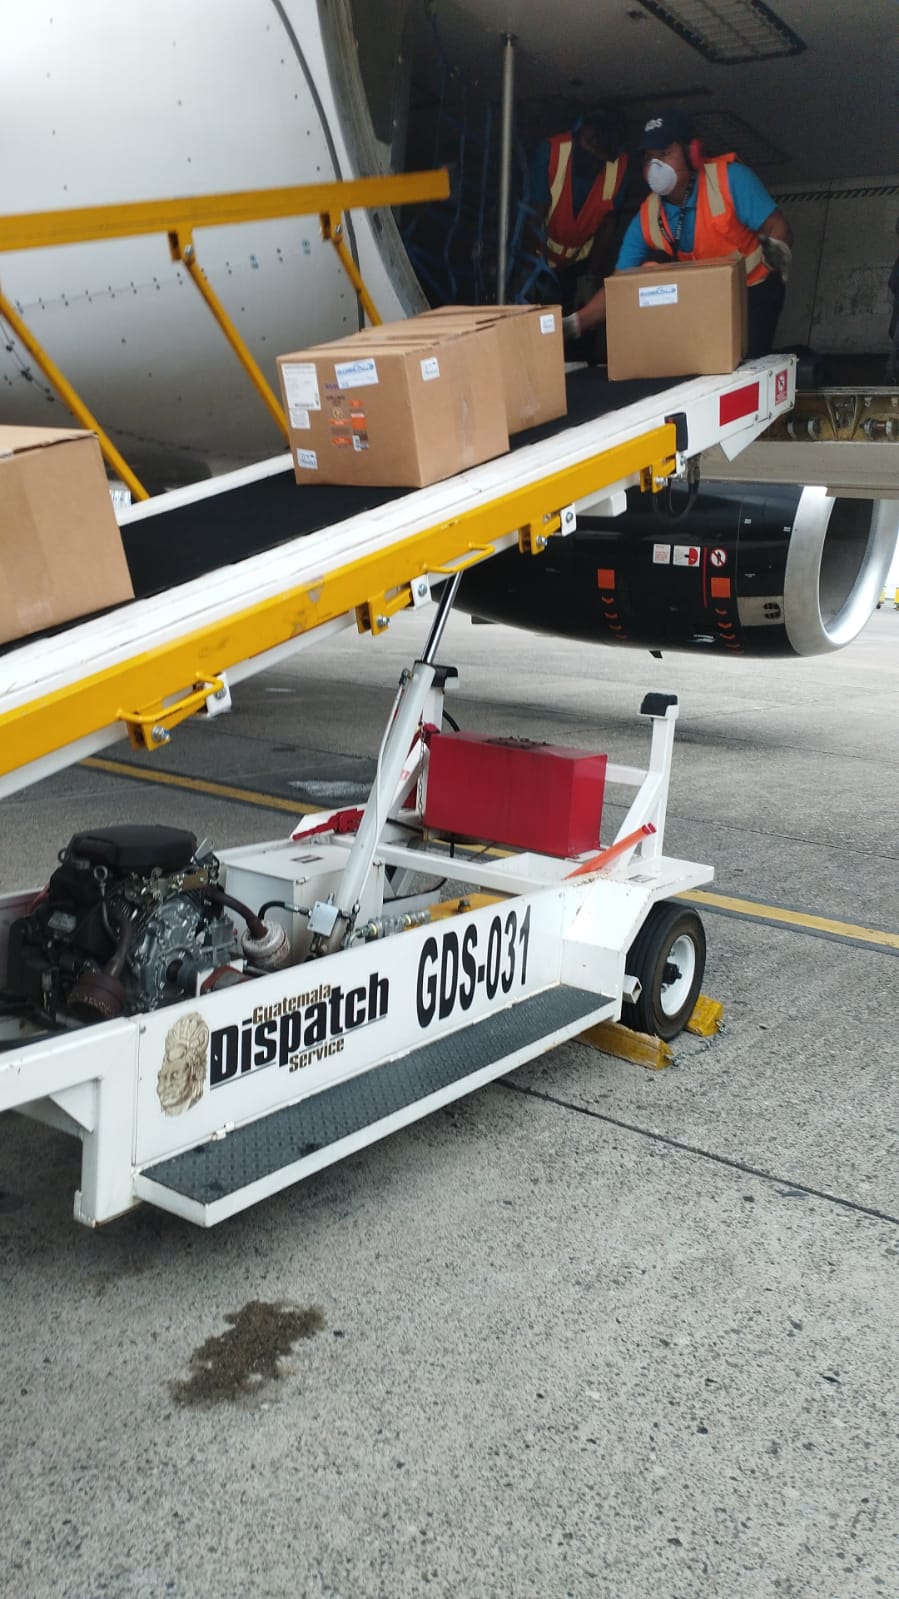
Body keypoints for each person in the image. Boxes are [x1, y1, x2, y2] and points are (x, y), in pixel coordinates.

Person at [565, 109, 793, 359]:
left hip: (753, 290)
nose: (656, 166)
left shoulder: (730, 180)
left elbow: (778, 226)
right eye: (649, 158)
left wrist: (775, 266)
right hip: (706, 296)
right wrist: (576, 323)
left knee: (748, 364)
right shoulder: (648, 214)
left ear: (691, 153)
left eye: (664, 154)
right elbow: (619, 285)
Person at [528, 112, 631, 318]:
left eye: (599, 158)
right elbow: (535, 213)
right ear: (582, 132)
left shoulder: (619, 169)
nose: (592, 161)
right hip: (538, 258)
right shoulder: (551, 152)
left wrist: (590, 278)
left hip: (578, 265)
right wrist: (528, 267)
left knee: (575, 323)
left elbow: (608, 224)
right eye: (590, 146)